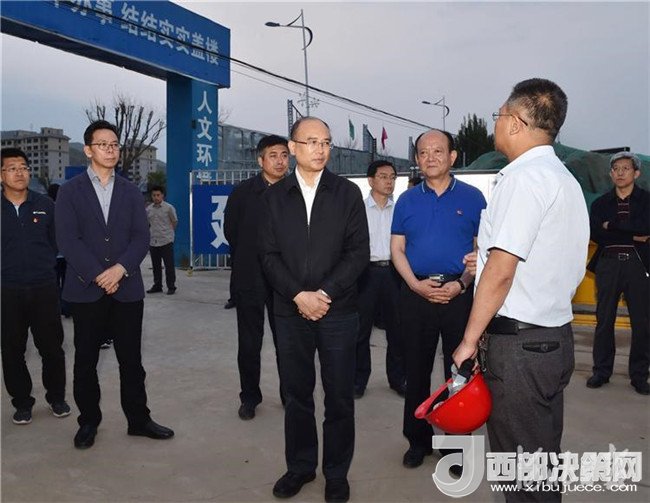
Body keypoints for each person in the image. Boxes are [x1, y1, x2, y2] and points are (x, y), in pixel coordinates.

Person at [453, 78, 590, 501]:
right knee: (539, 461)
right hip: (551, 339)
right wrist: (487, 261)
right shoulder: (562, 179)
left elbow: (502, 272)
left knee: (521, 474)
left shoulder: (524, 179)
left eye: (498, 115)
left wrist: (469, 340)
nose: (495, 123)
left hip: (520, 349)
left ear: (514, 122)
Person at [259, 117, 369, 503]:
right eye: (311, 142)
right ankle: (301, 466)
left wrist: (323, 293)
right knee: (297, 395)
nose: (320, 149)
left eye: (325, 142)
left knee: (339, 397)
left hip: (338, 311)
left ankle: (336, 473)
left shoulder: (346, 194)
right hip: (290, 312)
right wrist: (298, 295)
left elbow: (358, 253)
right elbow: (268, 256)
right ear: (292, 148)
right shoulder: (273, 197)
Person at [55, 120, 174, 449]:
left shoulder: (130, 191)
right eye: (103, 144)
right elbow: (68, 239)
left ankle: (139, 420)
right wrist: (99, 274)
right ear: (88, 150)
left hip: (127, 288)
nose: (111, 150)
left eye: (115, 144)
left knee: (131, 360)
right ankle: (88, 422)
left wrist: (120, 269)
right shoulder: (70, 191)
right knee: (85, 361)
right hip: (86, 289)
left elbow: (141, 237)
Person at [390, 129, 486, 470]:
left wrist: (462, 283)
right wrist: (415, 285)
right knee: (415, 370)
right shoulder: (406, 200)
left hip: (459, 296)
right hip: (416, 294)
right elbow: (397, 249)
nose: (430, 157)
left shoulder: (473, 198)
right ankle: (417, 441)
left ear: (452, 156)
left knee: (458, 372)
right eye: (423, 152)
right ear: (417, 159)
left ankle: (455, 447)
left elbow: (480, 251)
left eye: (438, 151)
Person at [1, 147, 71, 424]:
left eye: (23, 167)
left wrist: (42, 266)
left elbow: (57, 242)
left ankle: (56, 397)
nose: (19, 173)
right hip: (7, 290)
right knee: (12, 350)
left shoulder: (45, 205)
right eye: (12, 168)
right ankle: (22, 402)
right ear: (1, 175)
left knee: (52, 348)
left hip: (44, 287)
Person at [224, 134, 289, 420]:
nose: (280, 161)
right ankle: (249, 397)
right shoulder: (243, 193)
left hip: (287, 281)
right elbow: (231, 232)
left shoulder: (296, 191)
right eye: (273, 155)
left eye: (284, 155)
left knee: (287, 342)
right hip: (250, 277)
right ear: (260, 160)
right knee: (250, 342)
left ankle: (290, 395)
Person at [586, 152, 649, 395]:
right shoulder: (601, 203)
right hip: (608, 264)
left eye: (626, 168)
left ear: (636, 173)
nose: (620, 173)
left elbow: (646, 227)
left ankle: (639, 376)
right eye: (616, 169)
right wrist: (633, 235)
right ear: (611, 174)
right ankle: (601, 372)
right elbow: (596, 233)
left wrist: (611, 226)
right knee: (604, 320)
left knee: (642, 322)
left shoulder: (646, 201)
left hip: (638, 264)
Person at [354, 160, 406, 399]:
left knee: (397, 330)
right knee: (360, 330)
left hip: (395, 273)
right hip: (366, 273)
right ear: (371, 180)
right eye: (383, 176)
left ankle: (397, 379)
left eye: (392, 177)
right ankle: (358, 380)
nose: (389, 181)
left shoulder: (401, 210)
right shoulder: (359, 210)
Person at [145, 185, 178, 295]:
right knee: (156, 266)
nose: (156, 197)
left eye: (158, 195)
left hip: (166, 240)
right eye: (154, 195)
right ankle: (157, 285)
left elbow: (174, 221)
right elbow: (147, 224)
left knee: (169, 265)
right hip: (153, 241)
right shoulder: (148, 209)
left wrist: (169, 233)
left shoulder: (169, 208)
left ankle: (171, 286)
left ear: (162, 195)